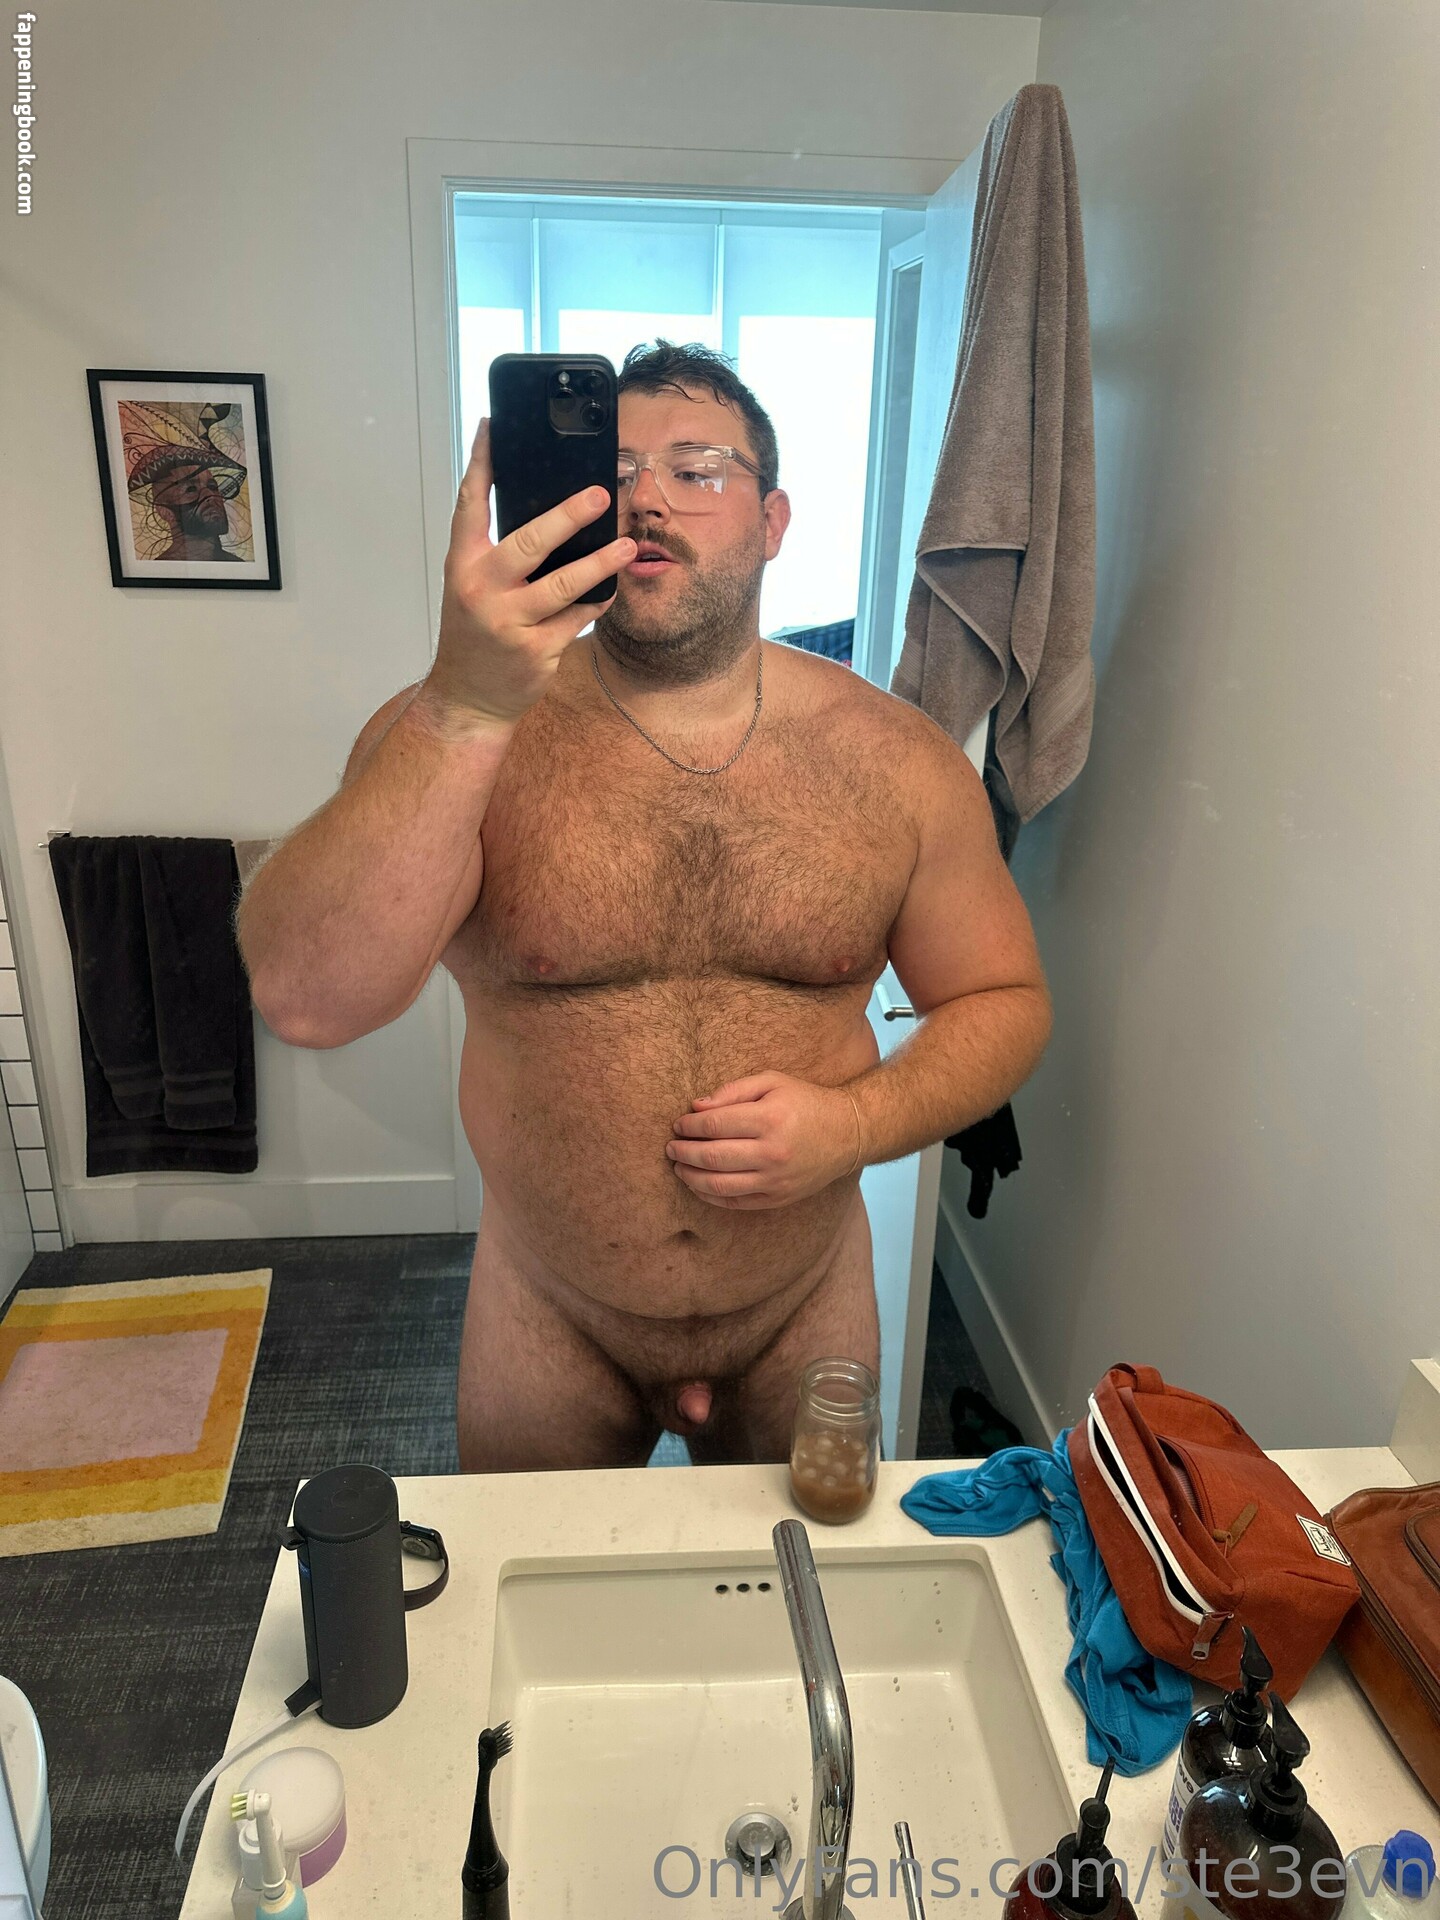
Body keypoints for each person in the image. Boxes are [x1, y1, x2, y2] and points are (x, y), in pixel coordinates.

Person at [237, 340, 1052, 1471]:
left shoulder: (898, 762)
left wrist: (855, 1128)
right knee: (537, 1585)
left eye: (698, 469)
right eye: (613, 471)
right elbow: (305, 998)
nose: (648, 499)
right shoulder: (459, 733)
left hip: (803, 1302)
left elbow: (1004, 1001)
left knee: (814, 1575)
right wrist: (464, 704)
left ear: (773, 521)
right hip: (551, 1309)